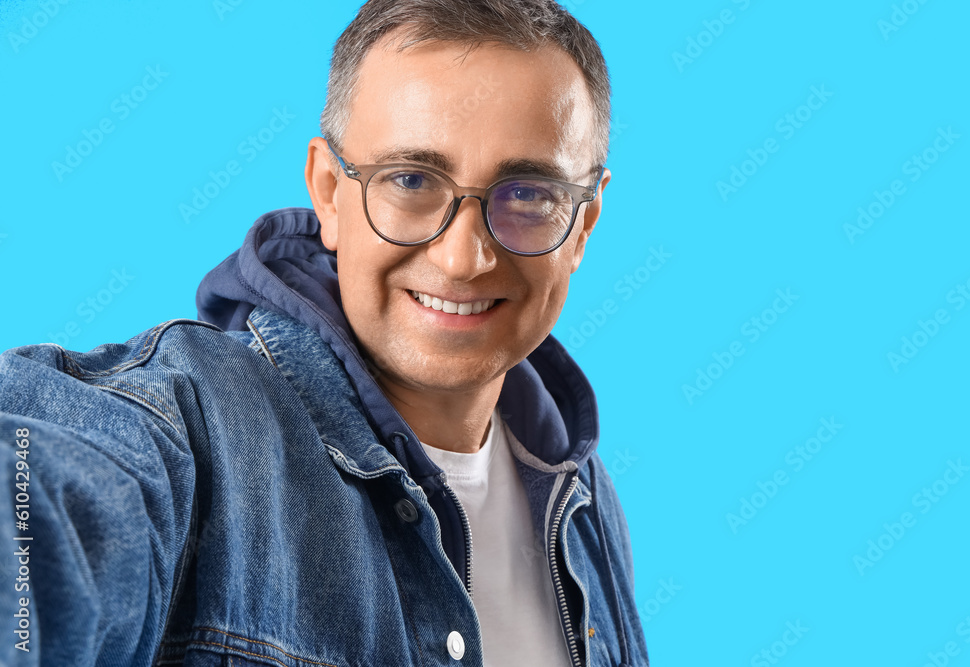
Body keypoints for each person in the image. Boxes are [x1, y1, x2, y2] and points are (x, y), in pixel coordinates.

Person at [0, 0, 648, 664]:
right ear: (329, 193)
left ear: (584, 222)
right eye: (411, 179)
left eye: (529, 194)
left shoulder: (583, 498)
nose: (463, 258)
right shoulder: (193, 433)